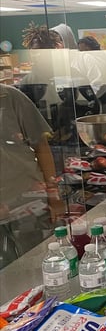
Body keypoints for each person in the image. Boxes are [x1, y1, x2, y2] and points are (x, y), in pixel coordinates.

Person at [0, 83, 65, 269]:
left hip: (28, 203)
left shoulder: (11, 97)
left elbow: (41, 146)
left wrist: (53, 195)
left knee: (44, 267)